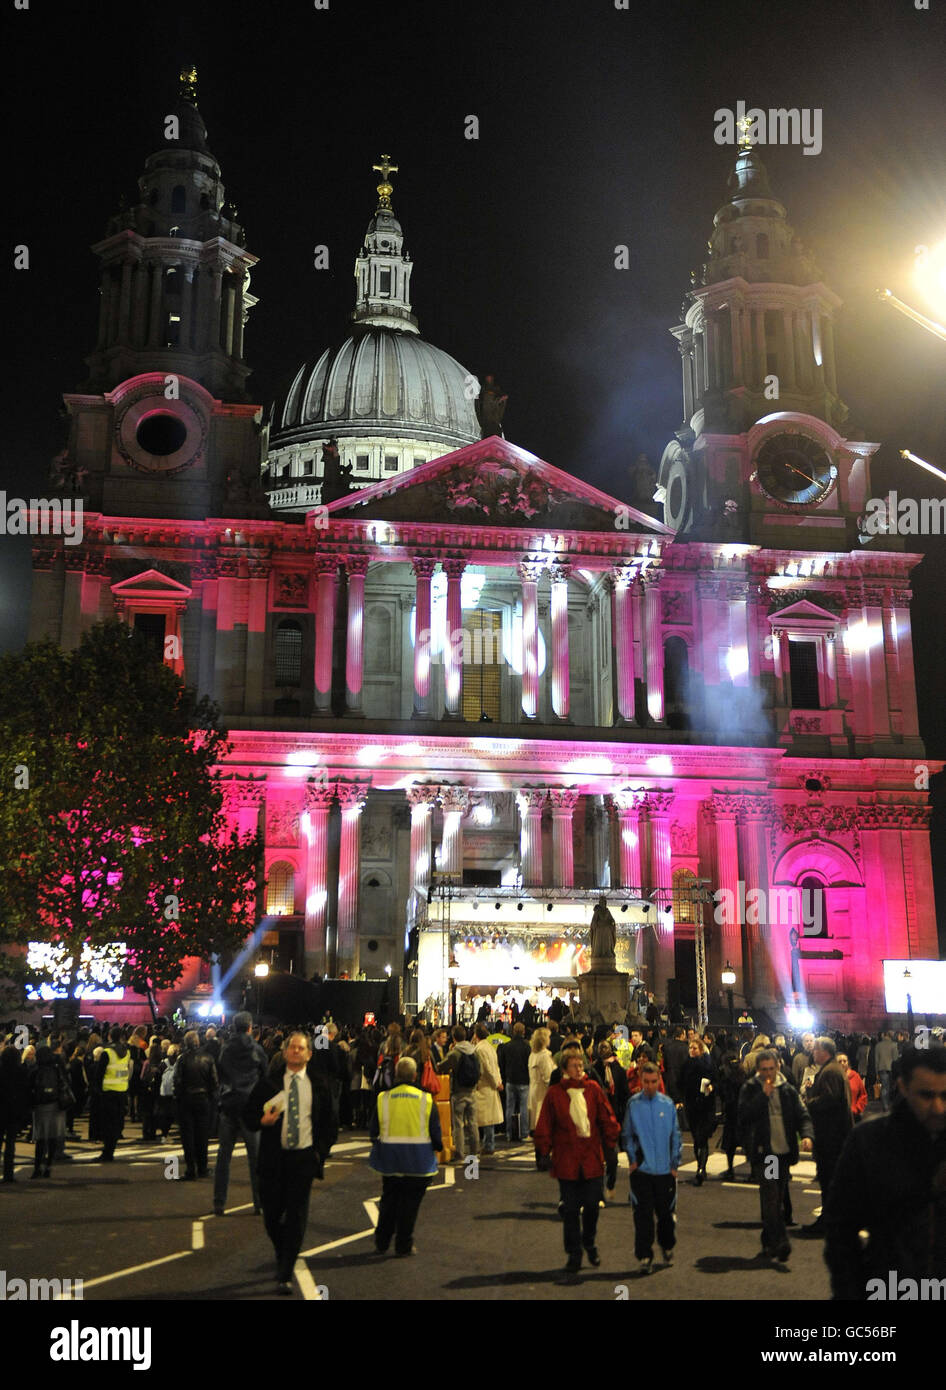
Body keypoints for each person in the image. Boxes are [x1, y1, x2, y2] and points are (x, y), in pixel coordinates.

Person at [823, 1044, 946, 1298]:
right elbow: (840, 1228)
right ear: (903, 1088)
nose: (938, 1107)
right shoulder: (870, 1141)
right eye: (926, 1095)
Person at [245, 1032, 337, 1294]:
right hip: (274, 1158)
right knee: (271, 1214)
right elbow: (249, 1114)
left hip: (303, 1158)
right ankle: (282, 1251)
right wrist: (260, 1122)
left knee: (296, 1216)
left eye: (301, 1048)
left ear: (309, 1053)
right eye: (292, 1048)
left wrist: (319, 1153)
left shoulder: (318, 1084)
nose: (296, 1051)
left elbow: (330, 1123)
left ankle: (284, 1271)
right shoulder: (269, 1084)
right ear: (285, 1053)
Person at [534, 1050, 620, 1276]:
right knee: (570, 1210)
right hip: (567, 1159)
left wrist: (611, 1145)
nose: (579, 1069)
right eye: (573, 1065)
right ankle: (574, 1253)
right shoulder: (555, 1094)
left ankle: (589, 1241)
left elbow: (606, 1118)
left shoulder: (593, 1090)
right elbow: (545, 1124)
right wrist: (543, 1151)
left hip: (591, 1157)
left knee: (592, 1205)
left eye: (580, 1065)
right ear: (564, 1069)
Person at [737, 1048, 813, 1263]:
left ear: (778, 1067)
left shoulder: (787, 1090)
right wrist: (763, 1096)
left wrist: (807, 1136)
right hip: (766, 1152)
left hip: (783, 1151)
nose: (768, 1073)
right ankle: (781, 1242)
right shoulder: (751, 1088)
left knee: (776, 1197)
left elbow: (802, 1115)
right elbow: (743, 1115)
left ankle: (768, 1240)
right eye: (764, 1070)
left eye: (771, 1069)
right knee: (771, 1198)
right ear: (758, 1070)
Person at [368, 1056, 442, 1257]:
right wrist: (438, 1147)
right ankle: (403, 1244)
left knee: (389, 1201)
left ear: (396, 1075)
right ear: (415, 1075)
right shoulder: (425, 1099)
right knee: (410, 1206)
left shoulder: (383, 1098)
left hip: (390, 1160)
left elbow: (373, 1130)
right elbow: (435, 1131)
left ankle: (382, 1242)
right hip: (418, 1161)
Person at [622, 1061, 682, 1273]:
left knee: (666, 1216)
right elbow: (627, 1134)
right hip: (642, 1172)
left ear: (659, 1081)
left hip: (665, 1171)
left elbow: (676, 1135)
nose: (649, 1086)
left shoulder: (667, 1105)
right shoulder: (633, 1104)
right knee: (643, 1216)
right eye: (645, 1082)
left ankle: (667, 1246)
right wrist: (632, 1160)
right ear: (640, 1081)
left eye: (653, 1082)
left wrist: (675, 1164)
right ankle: (645, 1256)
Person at [213, 1011, 268, 1216]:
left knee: (223, 1157)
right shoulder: (257, 1049)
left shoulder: (226, 1049)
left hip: (229, 1104)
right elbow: (266, 1075)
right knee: (255, 1159)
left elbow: (221, 1073)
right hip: (250, 1106)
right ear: (250, 1027)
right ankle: (259, 1202)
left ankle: (219, 1202)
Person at [800, 1036, 853, 1237]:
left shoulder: (830, 1071)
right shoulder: (833, 1069)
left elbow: (830, 1099)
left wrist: (810, 1102)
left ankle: (828, 1221)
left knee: (828, 1178)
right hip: (835, 1135)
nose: (813, 1052)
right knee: (831, 1180)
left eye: (816, 1049)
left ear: (825, 1052)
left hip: (831, 1136)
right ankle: (830, 1218)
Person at [173, 1030, 218, 1181]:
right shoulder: (208, 1058)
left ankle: (191, 1169)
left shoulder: (182, 1059)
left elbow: (177, 1081)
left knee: (188, 1136)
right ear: (198, 1042)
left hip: (186, 1099)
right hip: (203, 1099)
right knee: (202, 1135)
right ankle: (203, 1167)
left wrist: (179, 1097)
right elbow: (214, 1082)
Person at [92, 1026, 134, 1162]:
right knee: (116, 1123)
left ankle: (107, 1152)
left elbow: (98, 1074)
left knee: (107, 1124)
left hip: (108, 1092)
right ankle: (111, 1149)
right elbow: (127, 1070)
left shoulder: (107, 1053)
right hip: (122, 1091)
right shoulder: (126, 1052)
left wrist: (97, 1089)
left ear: (109, 1036)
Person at [438, 1025, 480, 1159]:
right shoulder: (474, 1052)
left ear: (454, 1037)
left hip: (458, 1091)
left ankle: (460, 1152)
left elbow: (442, 1066)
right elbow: (480, 1070)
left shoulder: (455, 1053)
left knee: (458, 1124)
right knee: (473, 1122)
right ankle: (474, 1150)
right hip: (472, 1091)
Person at [680, 1038, 717, 1185]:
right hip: (692, 1105)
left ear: (701, 1049)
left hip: (706, 1105)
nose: (691, 1050)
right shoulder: (686, 1064)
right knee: (697, 1138)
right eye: (690, 1048)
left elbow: (716, 1080)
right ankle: (700, 1166)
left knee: (702, 1137)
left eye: (695, 1048)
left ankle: (701, 1169)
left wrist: (712, 1087)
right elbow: (681, 1081)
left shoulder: (709, 1063)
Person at [0, 1046, 30, 1183]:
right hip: (13, 1111)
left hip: (1, 1109)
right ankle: (8, 1173)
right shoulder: (21, 1071)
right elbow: (25, 1092)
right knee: (11, 1143)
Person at [716, 1051, 747, 1181]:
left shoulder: (725, 1074)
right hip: (743, 1111)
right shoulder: (742, 1073)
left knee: (730, 1144)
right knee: (746, 1142)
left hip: (731, 1111)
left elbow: (722, 1092)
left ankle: (730, 1169)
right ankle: (754, 1173)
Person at [472, 1023, 503, 1154]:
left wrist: (495, 1083)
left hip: (485, 1085)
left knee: (485, 1118)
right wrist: (498, 1081)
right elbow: (496, 1067)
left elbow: (487, 1069)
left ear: (476, 1035)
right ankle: (488, 1143)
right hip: (492, 1085)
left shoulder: (479, 1049)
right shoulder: (490, 1047)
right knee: (488, 1118)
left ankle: (488, 1144)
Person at [499, 1022, 531, 1142]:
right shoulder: (527, 1046)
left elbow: (502, 1064)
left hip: (510, 1080)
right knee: (523, 1107)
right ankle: (523, 1133)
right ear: (523, 1032)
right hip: (523, 1080)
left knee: (509, 1107)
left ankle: (509, 1132)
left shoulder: (507, 1046)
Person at [528, 1027, 554, 1140]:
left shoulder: (533, 1055)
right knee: (541, 1116)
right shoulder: (544, 1056)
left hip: (533, 1089)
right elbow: (548, 1076)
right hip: (542, 1091)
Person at [836, 1052, 868, 1121]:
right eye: (839, 1061)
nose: (842, 1063)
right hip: (838, 1117)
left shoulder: (855, 1076)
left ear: (848, 1062)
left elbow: (863, 1095)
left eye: (844, 1061)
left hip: (854, 1116)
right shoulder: (833, 1077)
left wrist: (857, 1109)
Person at [873, 1031, 898, 1113]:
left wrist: (876, 1072)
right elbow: (895, 1059)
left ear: (884, 1035)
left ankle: (885, 1106)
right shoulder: (894, 1045)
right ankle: (892, 1104)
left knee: (884, 1088)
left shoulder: (878, 1045)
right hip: (892, 1068)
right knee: (893, 1087)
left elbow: (876, 1060)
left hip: (882, 1068)